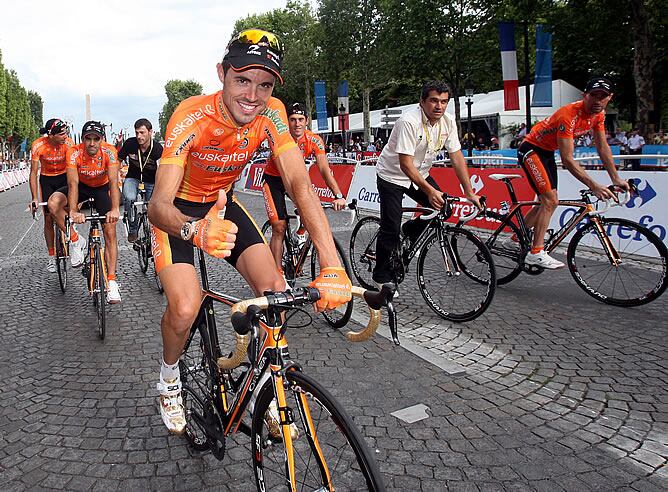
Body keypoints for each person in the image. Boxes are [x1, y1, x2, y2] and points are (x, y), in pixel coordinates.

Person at [147, 29, 352, 434]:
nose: (252, 95)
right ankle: (169, 378)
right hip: (180, 213)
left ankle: (270, 392)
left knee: (275, 292)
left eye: (265, 84)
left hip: (222, 205)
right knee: (185, 308)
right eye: (242, 80)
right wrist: (194, 230)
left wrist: (332, 266)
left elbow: (299, 184)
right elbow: (158, 205)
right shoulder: (191, 115)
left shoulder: (273, 113)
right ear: (222, 74)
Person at [373, 80, 481, 291]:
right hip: (392, 176)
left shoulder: (448, 121)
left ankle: (410, 230)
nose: (439, 106)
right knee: (391, 227)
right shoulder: (408, 121)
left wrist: (469, 192)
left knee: (444, 207)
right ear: (422, 101)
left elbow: (457, 157)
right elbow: (405, 164)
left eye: (443, 101)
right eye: (433, 101)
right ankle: (381, 275)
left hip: (419, 173)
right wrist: (430, 191)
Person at [517, 76, 628, 269]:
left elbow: (602, 147)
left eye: (603, 96)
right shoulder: (568, 114)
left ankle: (514, 238)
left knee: (547, 201)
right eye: (594, 95)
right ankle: (536, 252)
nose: (598, 100)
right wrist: (593, 185)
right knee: (550, 201)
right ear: (585, 95)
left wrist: (615, 178)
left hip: (547, 152)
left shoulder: (599, 115)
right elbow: (568, 159)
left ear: (610, 97)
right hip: (531, 149)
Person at [262, 102, 347, 272]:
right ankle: (277, 275)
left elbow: (324, 169)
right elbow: (284, 170)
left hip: (295, 177)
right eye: (293, 119)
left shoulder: (314, 140)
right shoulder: (280, 137)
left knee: (311, 215)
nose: (297, 123)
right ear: (287, 122)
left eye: (301, 119)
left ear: (307, 121)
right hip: (273, 180)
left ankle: (300, 233)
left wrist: (338, 195)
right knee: (279, 227)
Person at [48, 121, 122, 302]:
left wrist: (114, 209)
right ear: (82, 139)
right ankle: (75, 239)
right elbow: (72, 183)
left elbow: (113, 182)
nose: (92, 143)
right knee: (53, 203)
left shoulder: (110, 151)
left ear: (102, 139)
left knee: (110, 230)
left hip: (102, 188)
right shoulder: (73, 152)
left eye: (96, 139)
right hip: (80, 187)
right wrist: (73, 211)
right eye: (88, 139)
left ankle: (111, 282)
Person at [29, 119, 74, 273]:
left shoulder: (69, 143)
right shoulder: (38, 145)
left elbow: (75, 168)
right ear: (50, 135)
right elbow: (33, 173)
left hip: (64, 177)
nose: (65, 136)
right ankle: (51, 256)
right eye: (61, 134)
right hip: (47, 179)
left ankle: (72, 241)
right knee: (48, 218)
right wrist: (35, 198)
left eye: (66, 133)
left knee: (66, 213)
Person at [118, 118, 163, 242]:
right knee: (129, 197)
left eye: (142, 132)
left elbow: (161, 170)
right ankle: (133, 229)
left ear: (150, 132)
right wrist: (116, 175)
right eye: (137, 132)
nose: (139, 136)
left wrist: (159, 188)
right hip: (133, 178)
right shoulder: (130, 144)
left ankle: (154, 234)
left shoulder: (158, 149)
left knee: (153, 207)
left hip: (151, 181)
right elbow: (118, 160)